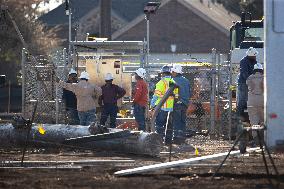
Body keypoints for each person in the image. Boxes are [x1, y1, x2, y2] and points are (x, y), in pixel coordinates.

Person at [150, 65, 174, 143]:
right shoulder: (173, 82)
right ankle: (168, 142)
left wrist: (152, 105)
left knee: (159, 126)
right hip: (171, 109)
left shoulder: (161, 82)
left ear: (162, 73)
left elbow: (156, 96)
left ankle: (159, 142)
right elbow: (176, 96)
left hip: (161, 108)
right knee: (169, 127)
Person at [171, 64, 191, 144]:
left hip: (177, 103)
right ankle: (182, 138)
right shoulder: (186, 80)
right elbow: (189, 92)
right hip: (185, 104)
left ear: (176, 72)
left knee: (176, 121)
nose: (171, 73)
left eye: (173, 71)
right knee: (182, 121)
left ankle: (177, 138)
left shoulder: (172, 81)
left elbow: (171, 93)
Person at [237, 47, 258, 117]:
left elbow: (256, 70)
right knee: (242, 100)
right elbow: (244, 74)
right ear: (250, 55)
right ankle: (239, 117)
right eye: (254, 55)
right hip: (243, 83)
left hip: (250, 83)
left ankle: (246, 117)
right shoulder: (243, 61)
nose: (255, 56)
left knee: (248, 100)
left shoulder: (254, 61)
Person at [246, 63, 264, 141]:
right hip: (262, 101)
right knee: (264, 120)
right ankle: (264, 138)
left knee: (254, 121)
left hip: (251, 102)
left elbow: (249, 86)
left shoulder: (249, 78)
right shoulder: (265, 78)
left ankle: (255, 139)